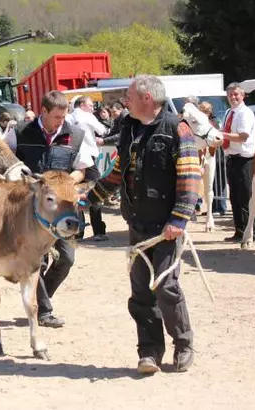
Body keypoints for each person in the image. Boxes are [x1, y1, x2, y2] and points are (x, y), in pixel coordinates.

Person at [82, 75, 200, 374]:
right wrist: (89, 199)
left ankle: (183, 344)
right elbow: (116, 172)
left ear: (147, 98)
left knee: (166, 287)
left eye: (131, 96)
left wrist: (179, 219)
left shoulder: (177, 129)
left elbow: (190, 178)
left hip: (166, 227)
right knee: (141, 293)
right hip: (138, 224)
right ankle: (149, 352)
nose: (126, 101)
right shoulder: (130, 129)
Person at [5, 90, 92, 329]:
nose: (61, 122)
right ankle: (44, 310)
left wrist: (65, 180)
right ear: (43, 111)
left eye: (64, 117)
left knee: (66, 258)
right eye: (56, 117)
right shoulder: (20, 132)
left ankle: (41, 298)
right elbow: (5, 160)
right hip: (31, 210)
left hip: (62, 210)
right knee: (37, 261)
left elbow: (82, 170)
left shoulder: (74, 135)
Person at [221, 83, 255, 243]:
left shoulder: (246, 113)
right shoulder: (229, 112)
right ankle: (239, 231)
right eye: (230, 94)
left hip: (245, 160)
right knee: (234, 197)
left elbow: (243, 136)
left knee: (245, 197)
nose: (233, 97)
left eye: (236, 94)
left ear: (243, 96)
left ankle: (253, 232)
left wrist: (220, 134)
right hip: (231, 158)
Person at [68, 95, 109, 241]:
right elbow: (102, 130)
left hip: (70, 160)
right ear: (82, 105)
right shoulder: (88, 116)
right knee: (95, 192)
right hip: (87, 158)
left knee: (74, 194)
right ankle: (98, 231)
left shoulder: (67, 118)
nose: (92, 109)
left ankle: (77, 232)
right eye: (91, 105)